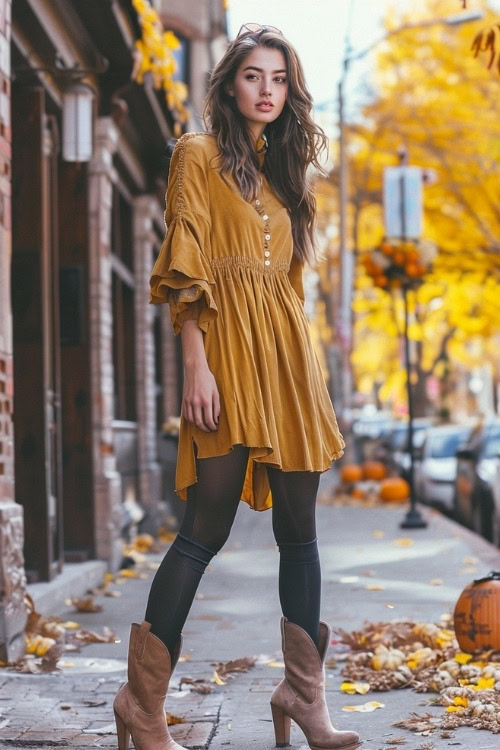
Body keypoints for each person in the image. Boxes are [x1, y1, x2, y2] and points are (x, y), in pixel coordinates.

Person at [113, 22, 361, 750]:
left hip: (287, 362)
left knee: (300, 532)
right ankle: (143, 705)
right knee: (204, 529)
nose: (268, 91)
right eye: (255, 76)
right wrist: (196, 364)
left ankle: (304, 696)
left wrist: (311, 376)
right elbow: (187, 261)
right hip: (222, 352)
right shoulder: (195, 154)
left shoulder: (289, 174)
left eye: (280, 80)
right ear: (230, 83)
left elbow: (288, 288)